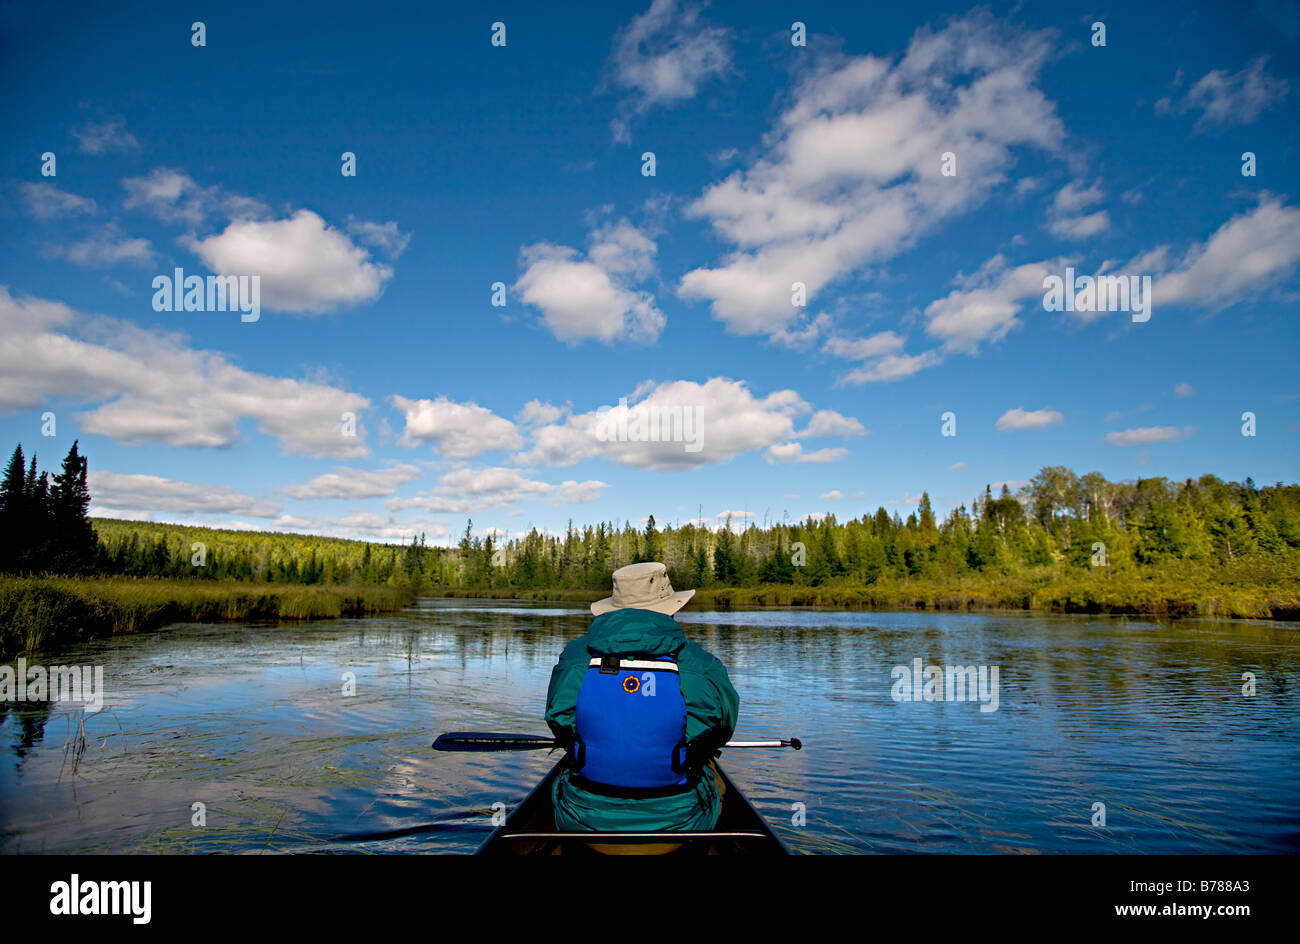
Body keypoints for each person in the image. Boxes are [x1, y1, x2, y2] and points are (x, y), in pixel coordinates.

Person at [544, 561, 738, 838]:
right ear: (671, 608)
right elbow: (722, 729)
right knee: (711, 771)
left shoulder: (575, 657)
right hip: (680, 824)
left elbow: (558, 721)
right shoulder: (701, 663)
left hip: (583, 821)